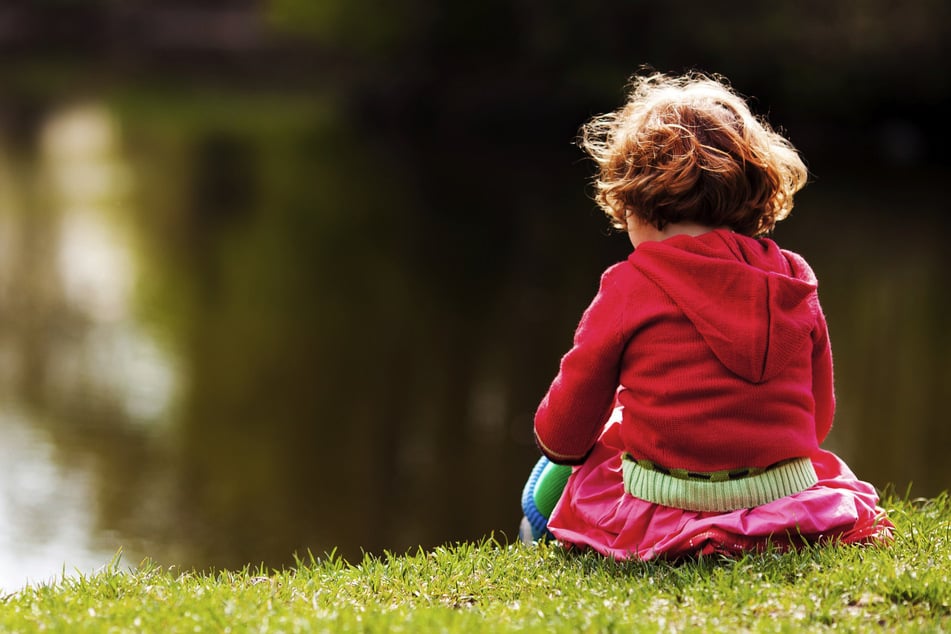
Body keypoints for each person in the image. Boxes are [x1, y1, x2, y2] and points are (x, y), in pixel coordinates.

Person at [519, 70, 893, 559]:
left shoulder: (630, 284)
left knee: (548, 485)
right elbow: (817, 417)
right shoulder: (794, 279)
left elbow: (562, 434)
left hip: (669, 507)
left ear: (635, 203)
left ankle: (531, 545)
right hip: (783, 499)